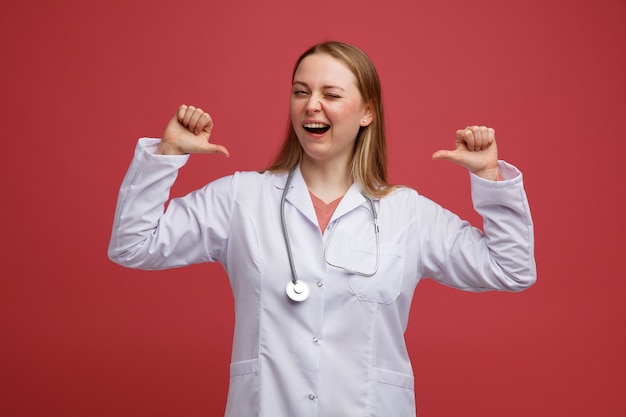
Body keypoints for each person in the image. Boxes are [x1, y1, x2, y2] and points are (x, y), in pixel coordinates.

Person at [108, 41, 536, 417]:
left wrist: (489, 179)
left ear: (368, 111)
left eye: (331, 94)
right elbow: (133, 246)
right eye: (301, 92)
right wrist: (168, 154)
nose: (312, 105)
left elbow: (511, 269)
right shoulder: (242, 198)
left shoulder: (407, 213)